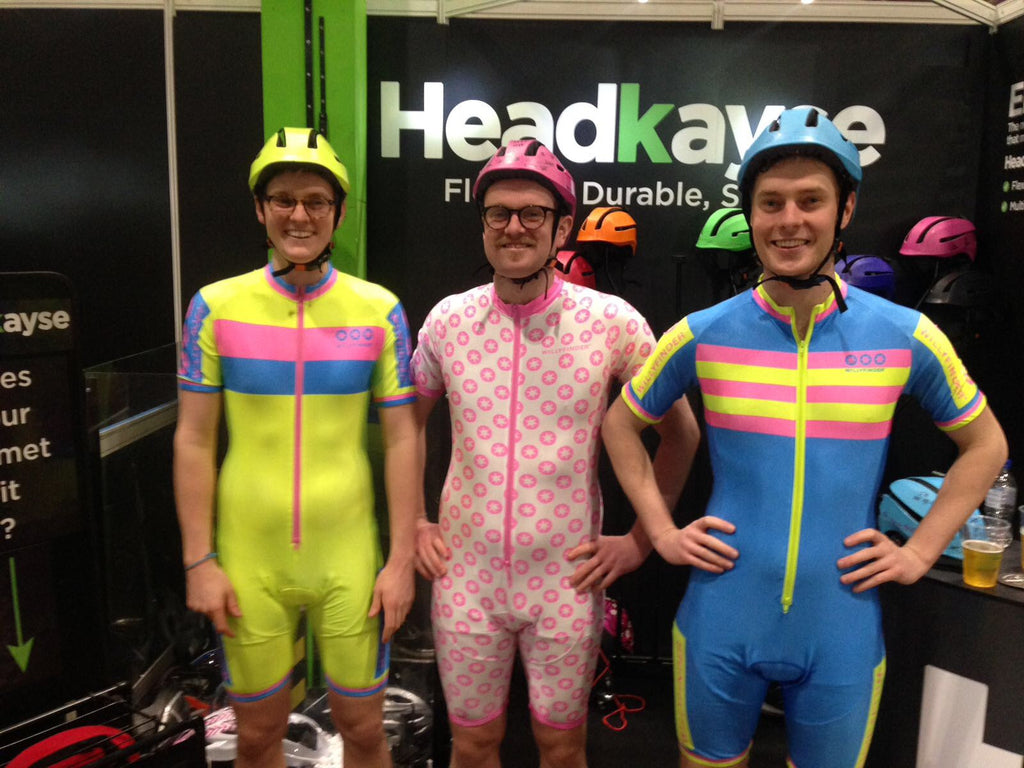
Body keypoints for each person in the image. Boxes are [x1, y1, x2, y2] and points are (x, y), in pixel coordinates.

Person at [601, 108, 1008, 768]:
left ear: (845, 209)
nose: (789, 219)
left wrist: (920, 551)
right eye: (771, 202)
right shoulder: (703, 332)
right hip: (721, 618)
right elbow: (621, 423)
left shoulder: (905, 335)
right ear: (751, 214)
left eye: (810, 200)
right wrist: (660, 532)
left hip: (840, 627)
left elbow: (986, 445)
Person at [411, 139, 699, 768]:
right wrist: (414, 520)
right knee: (473, 746)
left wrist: (642, 540)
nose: (514, 226)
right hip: (466, 579)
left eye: (533, 213)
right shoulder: (448, 321)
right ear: (483, 222)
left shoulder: (612, 322)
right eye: (499, 212)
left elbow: (681, 433)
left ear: (562, 226)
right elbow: (406, 424)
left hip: (564, 582)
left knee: (563, 749)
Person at [174, 127, 419, 768]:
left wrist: (401, 560)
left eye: (316, 200)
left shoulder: (379, 310)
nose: (299, 215)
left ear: (339, 212)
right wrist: (198, 560)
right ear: (261, 209)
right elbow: (194, 439)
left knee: (363, 729)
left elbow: (403, 437)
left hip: (349, 558)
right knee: (257, 735)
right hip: (248, 560)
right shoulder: (214, 307)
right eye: (283, 199)